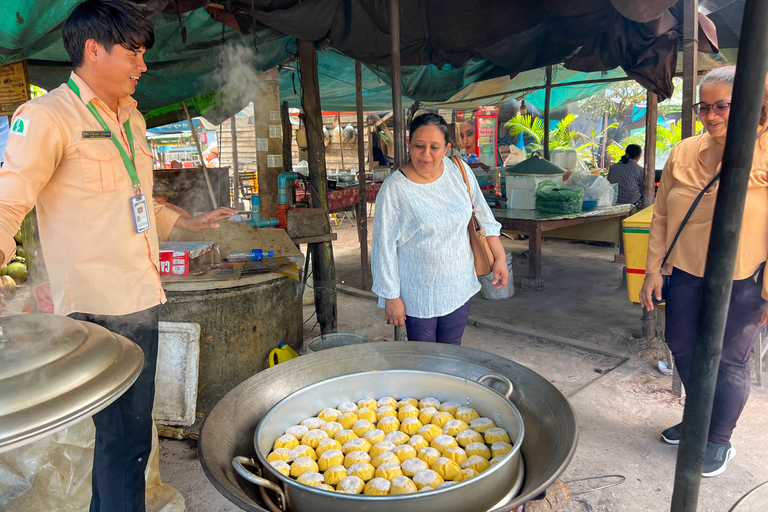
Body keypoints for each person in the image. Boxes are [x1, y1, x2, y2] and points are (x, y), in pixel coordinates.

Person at [0, 1, 237, 510]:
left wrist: (185, 222)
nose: (143, 65)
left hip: (139, 296)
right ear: (92, 49)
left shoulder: (131, 119)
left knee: (128, 442)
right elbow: (9, 196)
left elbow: (135, 197)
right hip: (95, 308)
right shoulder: (47, 117)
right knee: (121, 441)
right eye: (133, 52)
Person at [639, 66, 768, 478]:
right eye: (704, 107)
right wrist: (653, 268)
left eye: (723, 106)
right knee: (680, 343)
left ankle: (718, 438)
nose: (711, 116)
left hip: (745, 277)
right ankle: (699, 418)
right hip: (687, 272)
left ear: (751, 103)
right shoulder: (683, 152)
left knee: (729, 360)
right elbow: (660, 216)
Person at [371, 113, 508, 344]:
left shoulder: (458, 171)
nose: (426, 154)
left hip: (459, 286)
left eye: (434, 147)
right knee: (425, 362)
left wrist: (500, 258)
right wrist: (391, 297)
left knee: (452, 353)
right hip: (419, 293)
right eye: (419, 146)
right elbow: (383, 248)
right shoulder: (395, 188)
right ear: (409, 145)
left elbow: (483, 217)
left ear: (446, 148)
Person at [607, 143, 644, 208]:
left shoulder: (613, 167)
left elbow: (609, 183)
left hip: (615, 201)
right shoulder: (640, 170)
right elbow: (643, 189)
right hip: (632, 202)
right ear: (637, 157)